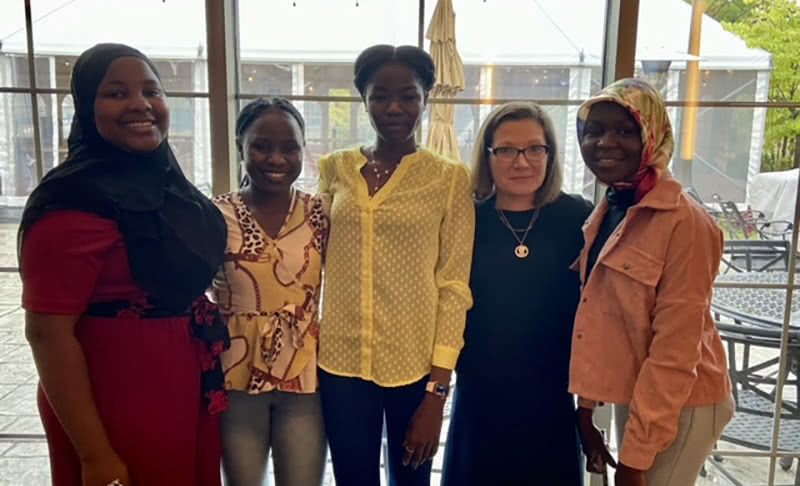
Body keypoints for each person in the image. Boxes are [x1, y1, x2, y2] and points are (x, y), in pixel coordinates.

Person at [19, 43, 229, 486]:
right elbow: (47, 333)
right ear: (86, 106)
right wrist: (95, 455)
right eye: (116, 93)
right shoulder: (71, 202)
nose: (140, 104)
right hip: (113, 396)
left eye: (151, 91)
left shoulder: (171, 187)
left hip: (184, 384)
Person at [316, 44, 475, 486]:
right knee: (352, 478)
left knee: (412, 479)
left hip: (415, 366)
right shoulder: (335, 168)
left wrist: (437, 393)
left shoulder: (449, 179)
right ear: (362, 98)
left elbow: (454, 285)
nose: (394, 107)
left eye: (408, 95)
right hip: (340, 362)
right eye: (379, 95)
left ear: (426, 97)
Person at [570, 78, 734, 486]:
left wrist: (635, 457)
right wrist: (586, 408)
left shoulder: (685, 222)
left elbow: (675, 352)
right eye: (594, 130)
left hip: (683, 404)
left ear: (652, 134)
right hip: (638, 393)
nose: (605, 142)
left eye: (625, 131)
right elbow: (599, 319)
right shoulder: (613, 207)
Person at [441, 102, 592, 485]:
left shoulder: (579, 218)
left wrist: (590, 405)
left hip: (551, 399)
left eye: (534, 149)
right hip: (480, 397)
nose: (521, 162)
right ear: (487, 156)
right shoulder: (467, 217)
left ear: (550, 154)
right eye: (506, 150)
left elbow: (601, 311)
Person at [210, 97, 328, 486]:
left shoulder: (322, 212)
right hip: (236, 375)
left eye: (289, 147)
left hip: (305, 378)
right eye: (261, 146)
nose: (276, 158)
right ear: (241, 145)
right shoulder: (214, 215)